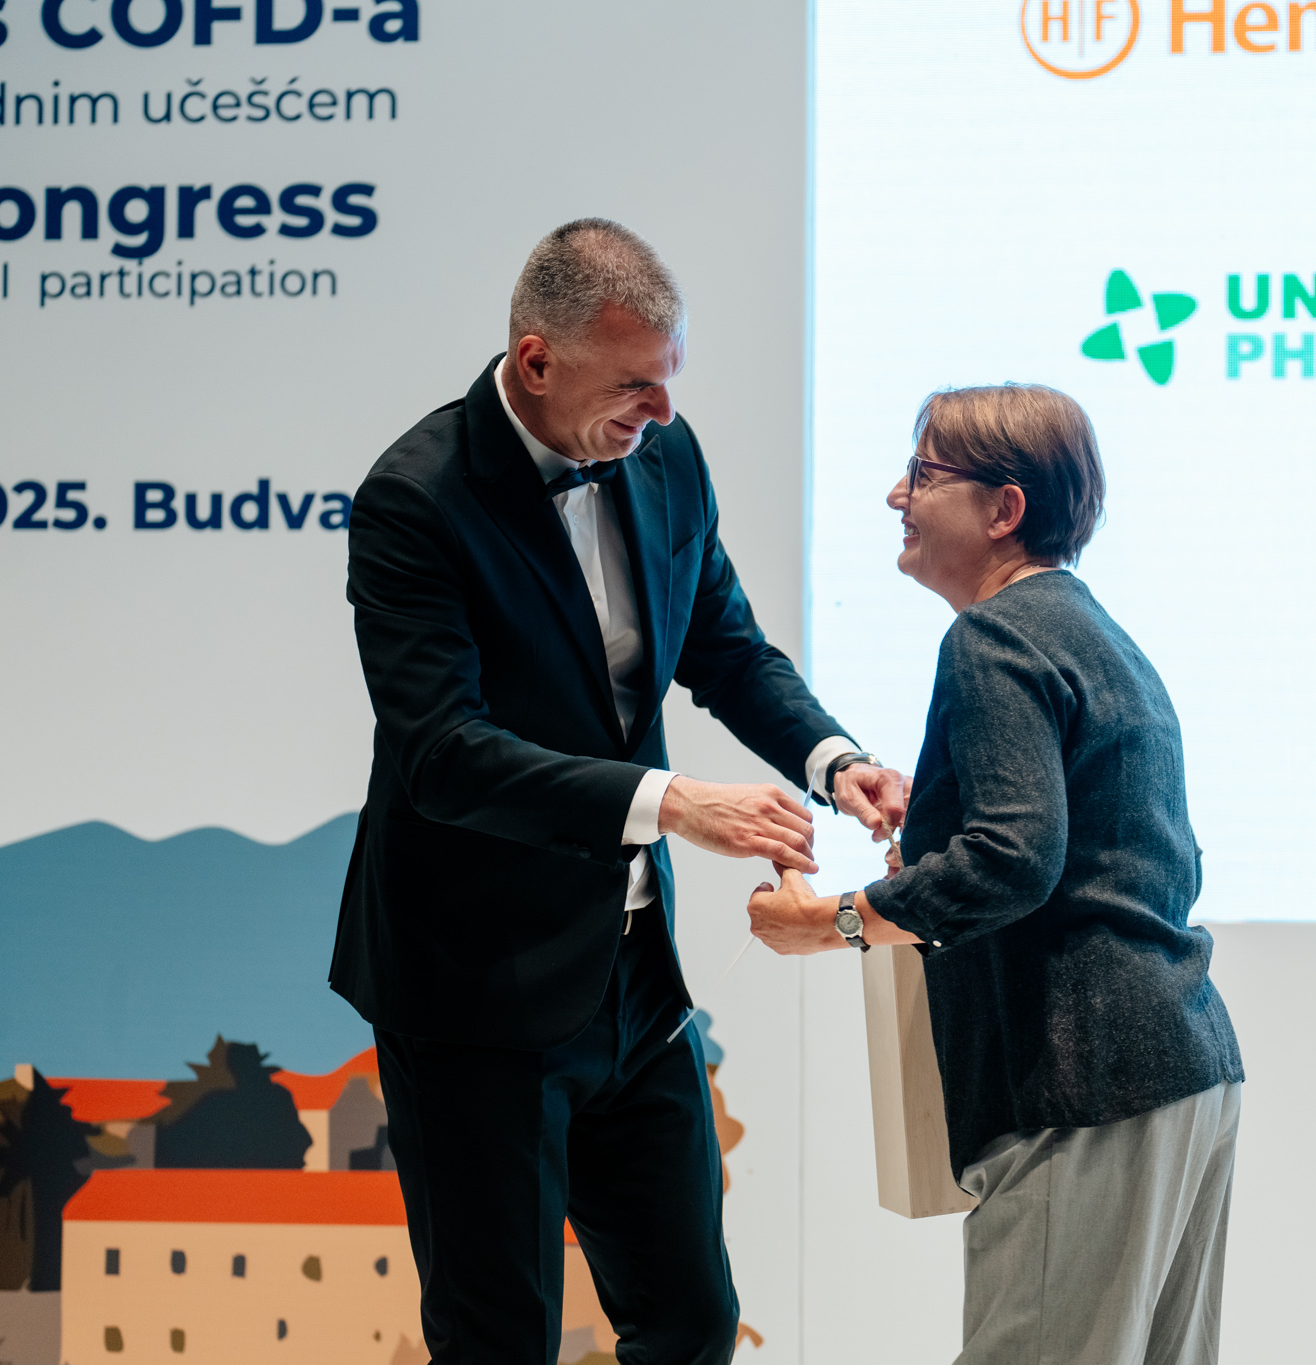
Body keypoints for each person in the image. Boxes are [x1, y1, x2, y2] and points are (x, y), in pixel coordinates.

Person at [332, 218, 906, 1365]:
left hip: (635, 979)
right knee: (498, 1341)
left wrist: (831, 760)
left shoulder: (663, 460)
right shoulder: (415, 499)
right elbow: (443, 754)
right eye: (635, 385)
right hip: (473, 990)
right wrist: (672, 803)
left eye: (669, 378)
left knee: (691, 1321)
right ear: (537, 362)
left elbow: (724, 647)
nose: (664, 412)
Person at [745, 384, 1246, 1364]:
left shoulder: (993, 636)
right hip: (1184, 1066)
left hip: (1085, 1078)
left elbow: (1013, 861)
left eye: (921, 473)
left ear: (1003, 508)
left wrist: (828, 921)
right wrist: (932, 846)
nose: (897, 495)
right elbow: (1118, 855)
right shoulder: (1100, 636)